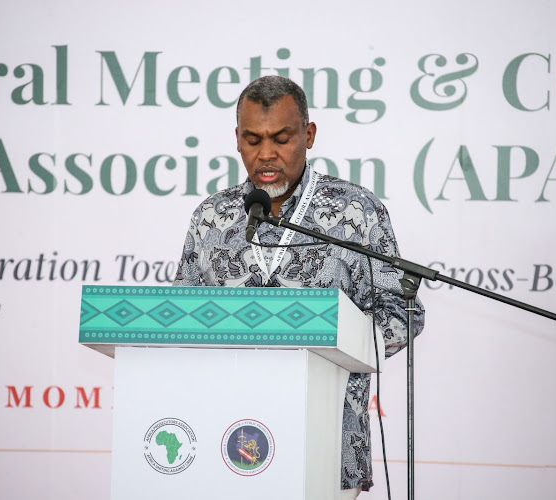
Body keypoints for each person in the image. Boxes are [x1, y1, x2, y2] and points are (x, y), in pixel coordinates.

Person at [173, 75, 425, 498]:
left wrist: (329, 336)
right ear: (236, 139)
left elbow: (403, 316)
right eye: (252, 140)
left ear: (308, 136)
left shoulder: (355, 211)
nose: (266, 154)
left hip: (327, 441)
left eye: (282, 138)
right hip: (224, 438)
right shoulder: (211, 218)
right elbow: (180, 317)